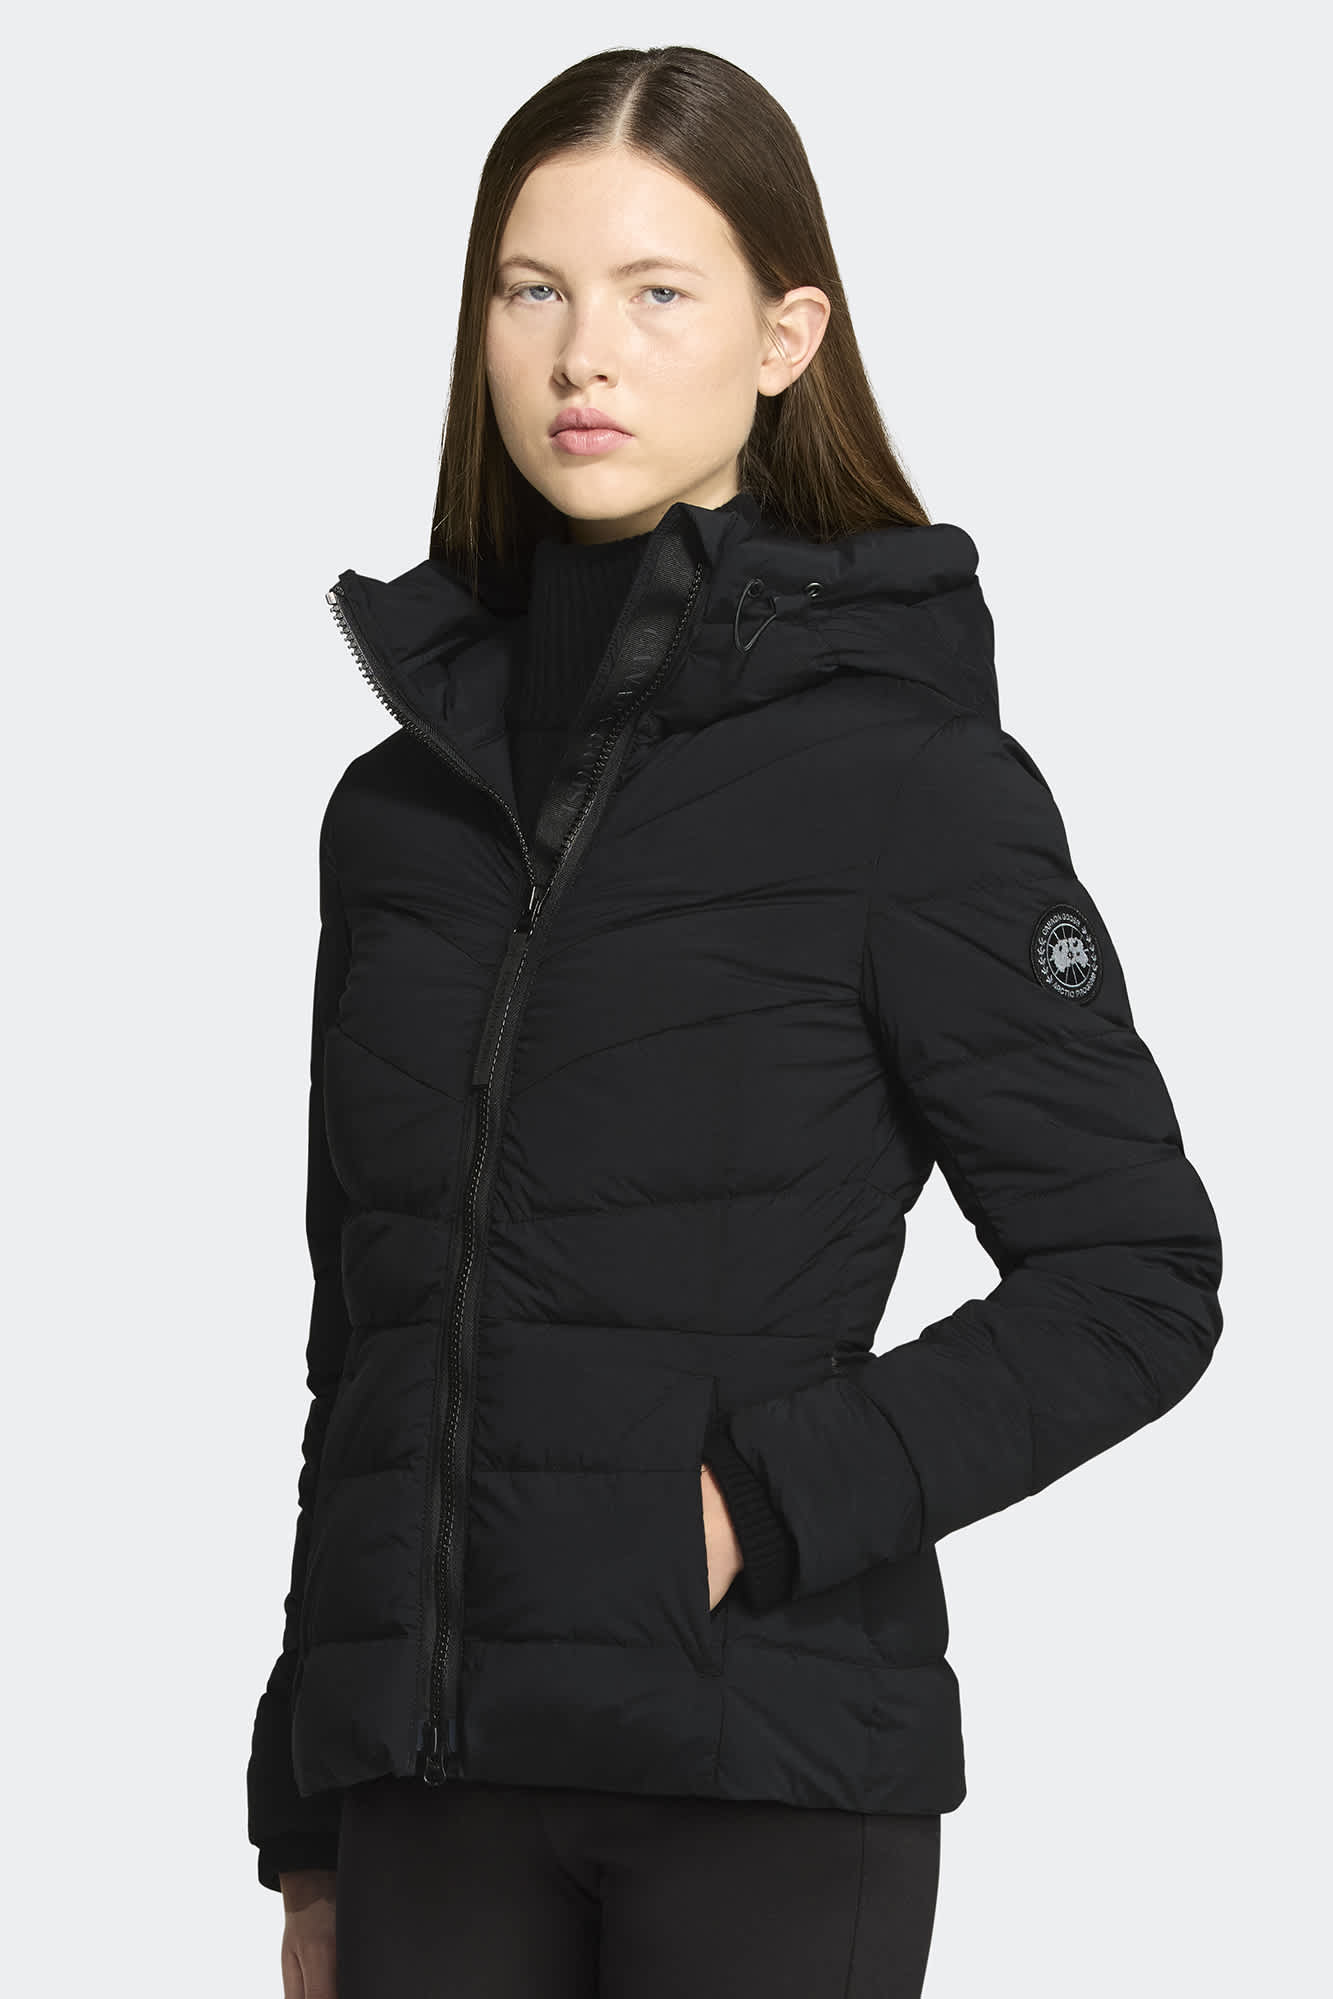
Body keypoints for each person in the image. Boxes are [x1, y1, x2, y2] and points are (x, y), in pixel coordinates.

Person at [246, 43, 1224, 1999]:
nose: (579, 355)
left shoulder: (907, 782)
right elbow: (365, 1340)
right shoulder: (402, 816)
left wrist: (750, 1507)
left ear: (785, 337)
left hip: (760, 1774)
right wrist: (307, 1823)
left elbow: (1134, 1279)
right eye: (532, 290)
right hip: (432, 1793)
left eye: (655, 293)